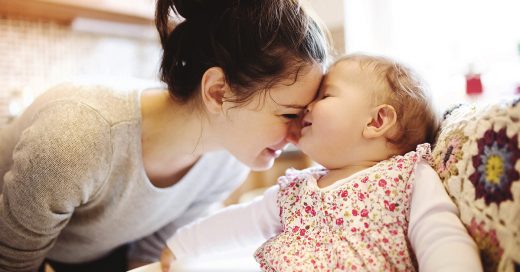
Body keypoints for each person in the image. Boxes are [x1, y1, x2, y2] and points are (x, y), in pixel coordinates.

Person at [0, 0, 330, 271]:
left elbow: (150, 257)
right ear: (217, 92)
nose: (299, 136)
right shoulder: (76, 136)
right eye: (289, 113)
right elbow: (12, 261)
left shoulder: (230, 163)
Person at [160, 54, 483, 272]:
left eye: (324, 96)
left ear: (377, 121)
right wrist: (180, 246)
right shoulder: (296, 189)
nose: (305, 108)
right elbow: (239, 222)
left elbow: (440, 237)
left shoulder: (407, 177)